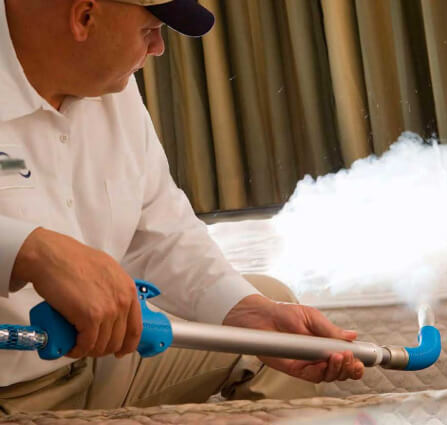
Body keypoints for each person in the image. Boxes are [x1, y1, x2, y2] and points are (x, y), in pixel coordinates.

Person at [0, 0, 364, 413]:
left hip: (91, 363)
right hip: (10, 390)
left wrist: (246, 312)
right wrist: (30, 250)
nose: (158, 47)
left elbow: (161, 231)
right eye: (148, 30)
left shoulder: (108, 86)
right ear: (84, 17)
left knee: (273, 325)